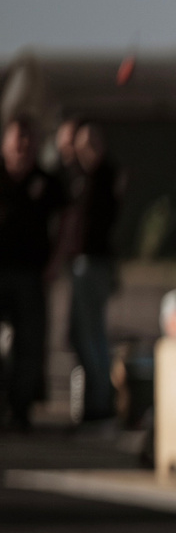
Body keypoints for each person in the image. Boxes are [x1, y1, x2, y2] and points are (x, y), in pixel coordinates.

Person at [54, 115, 124, 429]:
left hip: (93, 263)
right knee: (78, 334)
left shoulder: (103, 177)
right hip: (82, 262)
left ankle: (101, 402)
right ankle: (95, 401)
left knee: (91, 333)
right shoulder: (77, 177)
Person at [0, 115, 68, 431]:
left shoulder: (46, 182)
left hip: (30, 274)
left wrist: (56, 261)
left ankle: (21, 409)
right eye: (18, 141)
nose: (23, 148)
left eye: (29, 142)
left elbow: (68, 219)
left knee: (30, 344)